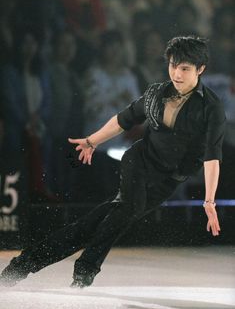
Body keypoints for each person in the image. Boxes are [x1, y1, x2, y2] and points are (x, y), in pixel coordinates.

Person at [0, 36, 226, 288]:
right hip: (138, 163)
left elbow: (212, 155)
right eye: (173, 65)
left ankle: (22, 266)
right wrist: (92, 140)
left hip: (167, 181)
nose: (176, 73)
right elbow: (124, 119)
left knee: (94, 224)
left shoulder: (211, 108)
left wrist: (209, 199)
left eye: (184, 68)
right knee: (127, 210)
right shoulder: (157, 93)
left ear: (200, 69)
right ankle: (84, 273)